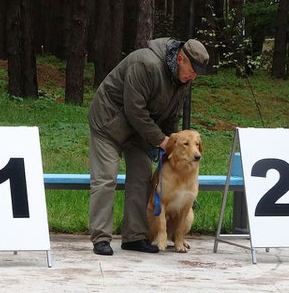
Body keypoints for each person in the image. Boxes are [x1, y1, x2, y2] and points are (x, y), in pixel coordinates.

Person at [88, 38, 209, 255]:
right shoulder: (146, 65)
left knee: (143, 176)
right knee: (106, 178)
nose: (193, 77)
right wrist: (161, 141)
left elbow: (172, 116)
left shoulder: (182, 78)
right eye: (192, 70)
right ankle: (101, 238)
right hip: (108, 121)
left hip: (139, 131)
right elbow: (134, 109)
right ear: (180, 59)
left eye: (197, 73)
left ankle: (134, 237)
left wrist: (171, 144)